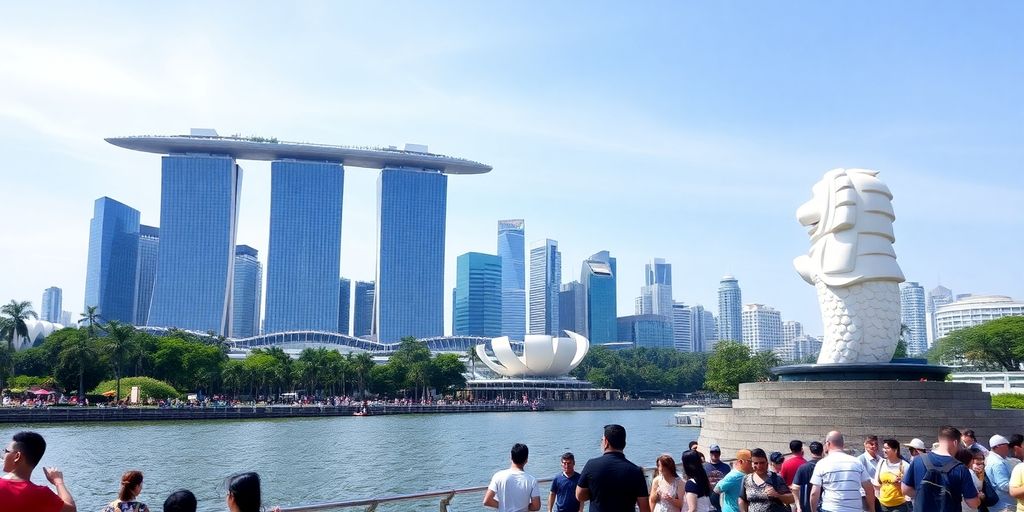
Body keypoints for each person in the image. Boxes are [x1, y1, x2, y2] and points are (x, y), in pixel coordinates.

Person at [901, 425, 980, 512]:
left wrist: (926, 495)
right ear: (955, 443)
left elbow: (905, 489)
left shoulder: (918, 460)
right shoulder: (961, 468)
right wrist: (979, 498)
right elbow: (973, 503)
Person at [577, 424, 651, 512]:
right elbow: (644, 507)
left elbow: (579, 495)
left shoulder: (591, 465)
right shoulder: (636, 471)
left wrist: (595, 492)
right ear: (624, 444)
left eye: (602, 440)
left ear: (606, 442)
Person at [0, 431, 77, 512]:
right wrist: (58, 481)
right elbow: (71, 510)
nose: (3, 455)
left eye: (6, 451)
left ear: (17, 456)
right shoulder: (42, 495)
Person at [810, 431, 875, 512]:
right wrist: (872, 509)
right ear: (843, 445)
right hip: (855, 509)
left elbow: (814, 493)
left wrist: (813, 510)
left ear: (828, 444)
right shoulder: (857, 462)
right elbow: (869, 488)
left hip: (830, 508)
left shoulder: (821, 464)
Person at [484, 443, 541, 512]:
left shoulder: (498, 476)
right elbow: (536, 506)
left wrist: (502, 506)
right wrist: (524, 507)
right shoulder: (532, 481)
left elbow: (487, 501)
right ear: (526, 460)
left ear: (511, 457)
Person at [739, 448, 793, 512]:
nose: (759, 466)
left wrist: (777, 495)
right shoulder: (746, 479)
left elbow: (791, 499)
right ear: (752, 464)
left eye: (762, 463)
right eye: (756, 463)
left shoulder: (776, 478)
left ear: (767, 463)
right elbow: (742, 499)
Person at [871, 439, 909, 512]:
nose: (884, 450)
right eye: (884, 448)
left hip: (899, 506)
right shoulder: (881, 463)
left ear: (895, 450)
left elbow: (909, 487)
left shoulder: (905, 465)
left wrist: (900, 484)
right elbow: (876, 483)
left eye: (887, 448)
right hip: (882, 505)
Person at [985, 435, 1016, 512]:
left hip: (999, 505)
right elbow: (1003, 485)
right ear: (998, 446)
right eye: (1006, 445)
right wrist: (1019, 488)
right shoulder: (997, 463)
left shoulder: (990, 459)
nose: (1008, 448)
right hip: (1005, 506)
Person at [791, 441, 823, 512]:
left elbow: (795, 488)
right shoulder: (828, 467)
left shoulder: (803, 467)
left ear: (810, 451)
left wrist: (798, 506)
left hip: (806, 507)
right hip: (824, 507)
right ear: (822, 450)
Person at [858, 435, 883, 511]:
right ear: (865, 444)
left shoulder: (881, 459)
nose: (874, 446)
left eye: (876, 444)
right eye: (871, 444)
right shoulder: (860, 460)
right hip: (866, 495)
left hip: (880, 494)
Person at [704, 444, 730, 511]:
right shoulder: (704, 467)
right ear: (710, 453)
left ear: (720, 453)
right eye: (712, 452)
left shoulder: (726, 467)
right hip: (709, 498)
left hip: (722, 498)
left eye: (717, 452)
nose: (715, 454)